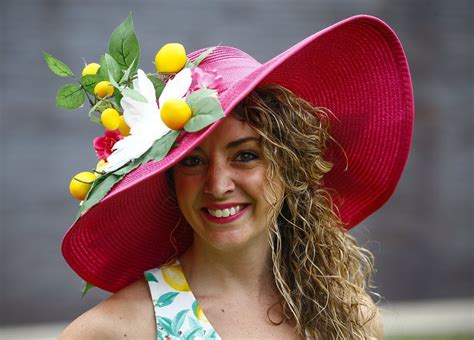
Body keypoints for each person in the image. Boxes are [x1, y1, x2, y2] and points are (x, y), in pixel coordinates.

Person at [58, 14, 413, 339]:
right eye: (192, 162)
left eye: (245, 156)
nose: (217, 184)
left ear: (289, 166)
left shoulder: (349, 318)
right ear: (170, 181)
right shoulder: (117, 331)